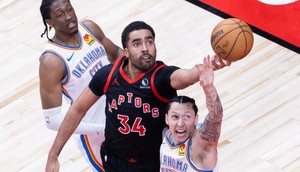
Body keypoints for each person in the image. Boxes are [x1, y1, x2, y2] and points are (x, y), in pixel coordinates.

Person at [45, 21, 230, 172]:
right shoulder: (108, 75)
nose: (145, 48)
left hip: (151, 163)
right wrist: (53, 155)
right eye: (137, 44)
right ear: (125, 52)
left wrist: (209, 67)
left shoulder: (161, 77)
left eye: (149, 42)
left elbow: (186, 76)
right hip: (113, 161)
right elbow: (77, 109)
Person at [39, 0, 123, 171]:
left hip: (124, 112)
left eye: (69, 9)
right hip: (97, 134)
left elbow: (117, 55)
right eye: (60, 14)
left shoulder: (89, 29)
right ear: (49, 22)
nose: (69, 16)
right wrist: (101, 129)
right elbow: (52, 120)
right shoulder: (52, 60)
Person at [160, 56, 222, 172]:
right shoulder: (166, 135)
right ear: (167, 119)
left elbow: (216, 117)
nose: (180, 123)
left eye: (187, 117)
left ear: (195, 119)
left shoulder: (201, 143)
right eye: (175, 117)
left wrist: (208, 87)